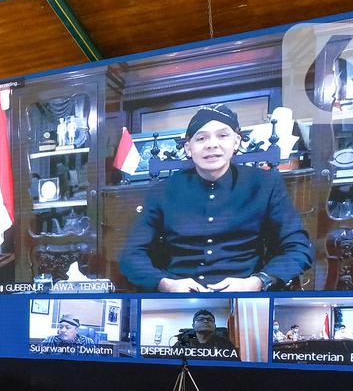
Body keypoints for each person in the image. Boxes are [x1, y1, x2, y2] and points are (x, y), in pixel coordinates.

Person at [119, 104, 314, 293]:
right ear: (188, 148)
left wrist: (258, 282)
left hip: (246, 292)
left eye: (222, 135)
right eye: (201, 138)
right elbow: (131, 255)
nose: (212, 144)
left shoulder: (265, 184)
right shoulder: (162, 191)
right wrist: (165, 284)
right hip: (179, 293)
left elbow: (298, 247)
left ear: (236, 142)